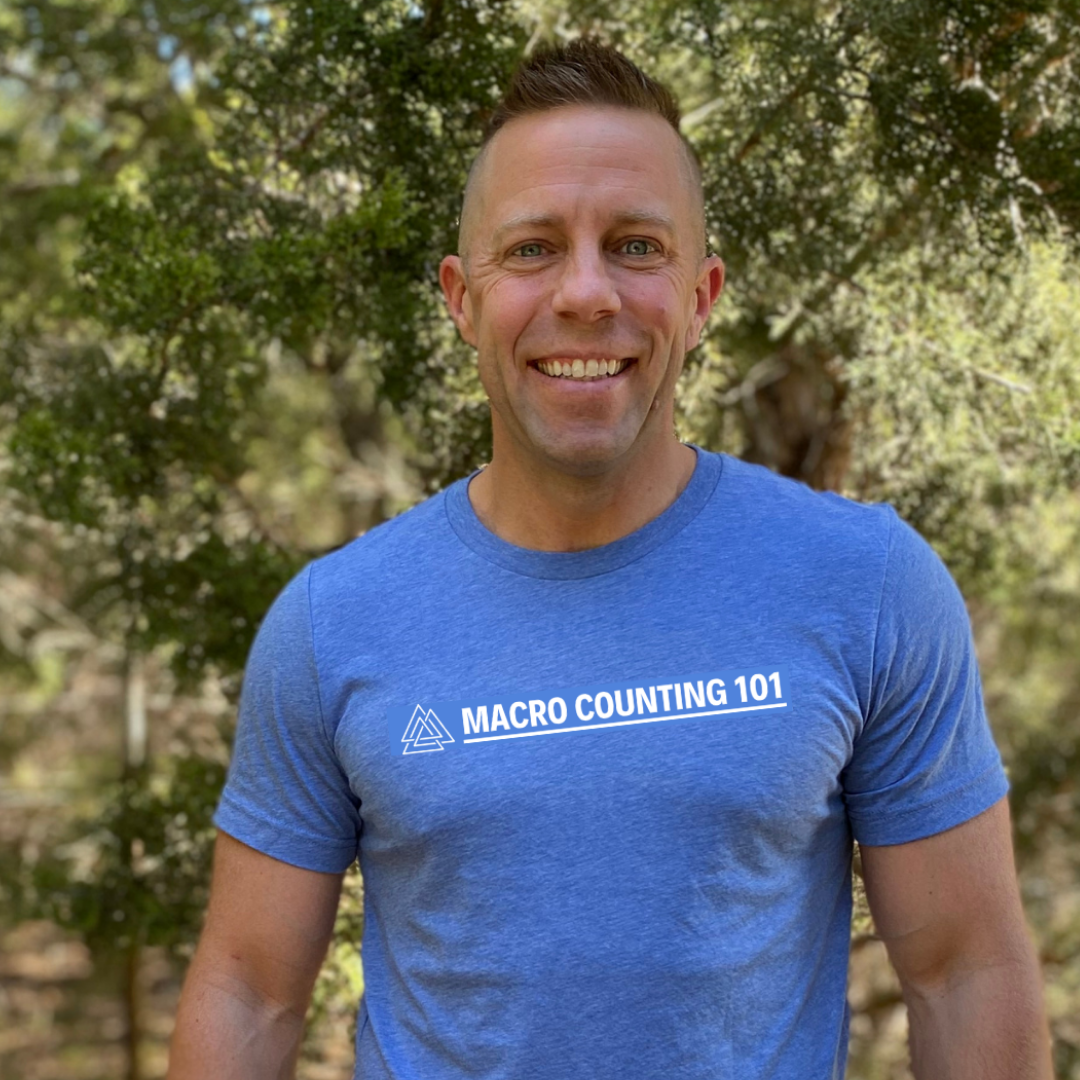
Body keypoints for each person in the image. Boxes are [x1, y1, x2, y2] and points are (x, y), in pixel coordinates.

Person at [167, 39, 1053, 1080]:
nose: (586, 293)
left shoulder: (866, 585)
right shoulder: (332, 622)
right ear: (461, 298)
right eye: (533, 248)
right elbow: (249, 988)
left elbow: (965, 971)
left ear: (702, 296)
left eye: (636, 246)